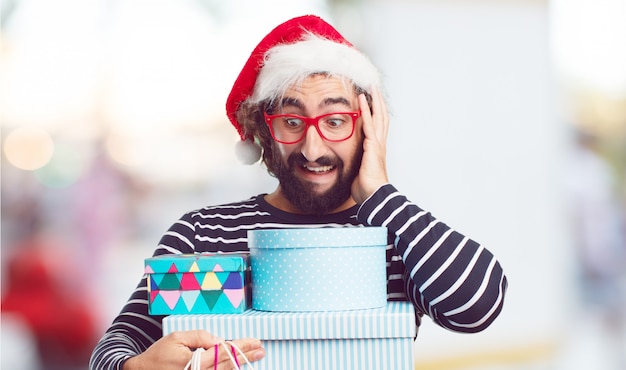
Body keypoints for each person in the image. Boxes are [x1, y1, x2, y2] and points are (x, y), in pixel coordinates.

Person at [90, 15, 508, 370]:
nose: (313, 148)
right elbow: (109, 352)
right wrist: (136, 367)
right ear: (262, 129)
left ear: (369, 124)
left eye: (335, 120)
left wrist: (381, 195)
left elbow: (478, 307)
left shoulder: (396, 236)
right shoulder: (203, 234)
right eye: (292, 121)